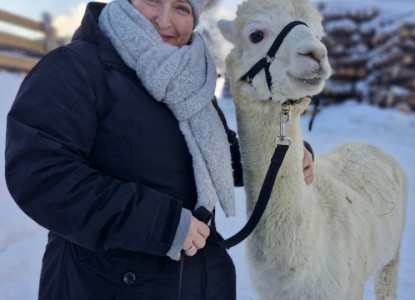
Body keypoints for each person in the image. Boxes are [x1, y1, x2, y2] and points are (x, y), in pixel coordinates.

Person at [5, 0, 314, 299]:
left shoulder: (191, 77)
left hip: (202, 281)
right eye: (152, 0)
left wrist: (283, 155)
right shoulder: (77, 68)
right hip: (106, 285)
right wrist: (160, 224)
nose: (164, 20)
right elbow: (41, 176)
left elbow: (217, 151)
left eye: (181, 7)